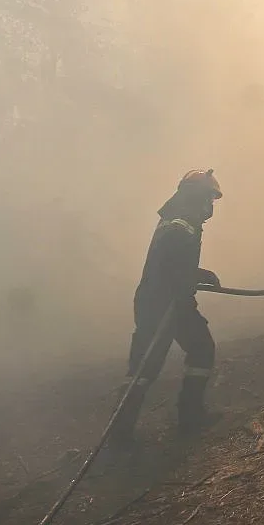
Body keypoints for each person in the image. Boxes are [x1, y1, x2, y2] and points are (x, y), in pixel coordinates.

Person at [111, 169, 225, 446]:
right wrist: (192, 275)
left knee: (200, 348)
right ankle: (120, 433)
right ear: (197, 196)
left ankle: (190, 417)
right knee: (145, 367)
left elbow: (175, 261)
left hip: (171, 301)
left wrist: (195, 274)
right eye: (209, 198)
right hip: (162, 303)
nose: (210, 206)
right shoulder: (181, 221)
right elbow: (171, 257)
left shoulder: (181, 218)